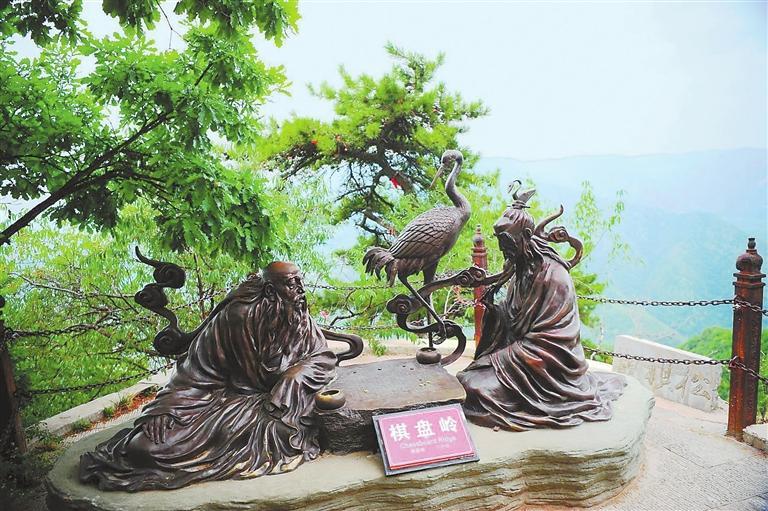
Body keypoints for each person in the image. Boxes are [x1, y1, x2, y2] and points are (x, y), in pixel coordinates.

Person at [80, 262, 337, 491]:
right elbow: (193, 371)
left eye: (300, 282)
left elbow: (321, 356)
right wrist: (165, 409)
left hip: (269, 406)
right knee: (143, 449)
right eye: (292, 284)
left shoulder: (297, 314)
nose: (301, 290)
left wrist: (295, 375)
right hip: (214, 401)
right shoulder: (236, 316)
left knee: (285, 431)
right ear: (270, 291)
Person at [457, 195, 625, 431]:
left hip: (546, 369)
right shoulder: (520, 268)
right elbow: (513, 316)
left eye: (506, 241)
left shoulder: (554, 276)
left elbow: (552, 342)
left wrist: (500, 359)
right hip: (521, 358)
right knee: (465, 379)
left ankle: (523, 403)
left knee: (476, 387)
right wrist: (496, 312)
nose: (502, 248)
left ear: (525, 236)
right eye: (499, 241)